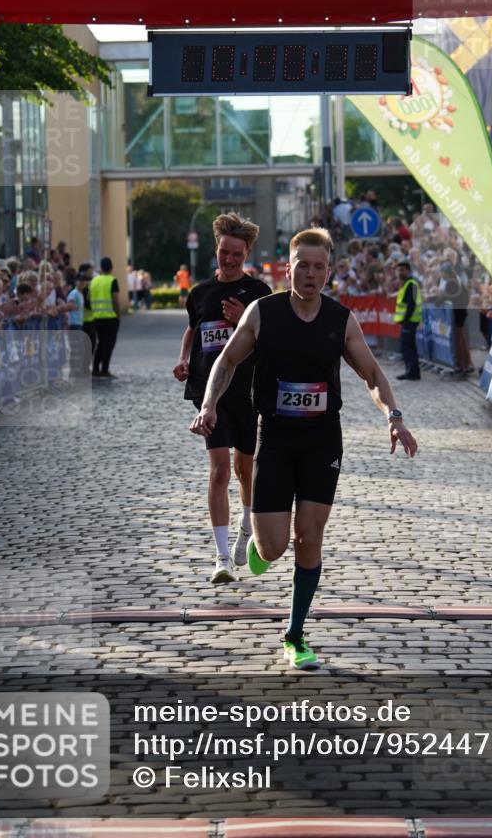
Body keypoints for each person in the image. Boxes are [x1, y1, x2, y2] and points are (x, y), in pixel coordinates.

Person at [190, 227, 417, 669]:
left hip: (321, 441)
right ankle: (259, 544)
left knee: (309, 538)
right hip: (274, 439)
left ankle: (295, 635)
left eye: (319, 267)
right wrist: (209, 404)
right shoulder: (263, 312)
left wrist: (393, 416)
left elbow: (372, 375)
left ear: (328, 272)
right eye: (302, 266)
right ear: (288, 269)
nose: (310, 275)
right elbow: (227, 360)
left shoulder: (340, 320)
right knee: (274, 548)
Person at [174, 212, 271, 585]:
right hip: (210, 393)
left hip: (247, 392)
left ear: (246, 254)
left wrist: (241, 321)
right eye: (224, 252)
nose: (229, 259)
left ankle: (246, 528)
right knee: (219, 470)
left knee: (246, 470)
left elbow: (270, 340)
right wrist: (184, 359)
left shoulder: (258, 292)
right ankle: (221, 557)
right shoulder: (200, 293)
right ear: (216, 248)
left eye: (237, 254)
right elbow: (193, 329)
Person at [89, 257, 121, 378]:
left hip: (97, 317)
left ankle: (95, 368)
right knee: (109, 344)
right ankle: (105, 370)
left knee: (100, 343)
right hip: (110, 317)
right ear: (111, 268)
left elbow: (88, 297)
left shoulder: (94, 281)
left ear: (101, 268)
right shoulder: (112, 280)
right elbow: (115, 299)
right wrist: (118, 314)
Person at [394, 261, 422, 380]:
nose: (400, 272)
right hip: (408, 321)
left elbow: (411, 304)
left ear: (408, 271)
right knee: (408, 347)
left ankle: (412, 372)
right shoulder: (406, 284)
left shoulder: (411, 284)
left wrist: (405, 320)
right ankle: (411, 371)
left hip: (410, 321)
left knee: (408, 347)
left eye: (403, 270)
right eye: (398, 270)